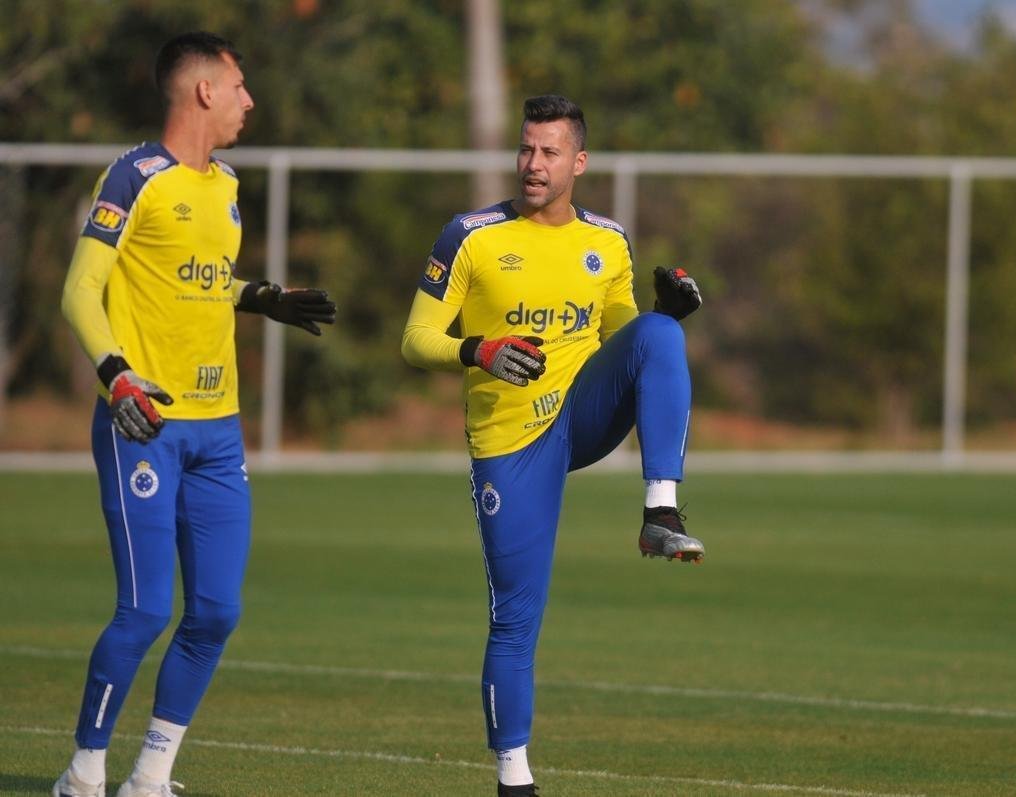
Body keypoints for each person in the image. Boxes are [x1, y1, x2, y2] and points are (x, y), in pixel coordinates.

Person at [53, 32, 336, 797]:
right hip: (143, 424)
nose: (249, 99)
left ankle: (152, 775)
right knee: (145, 612)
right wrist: (118, 379)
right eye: (240, 86)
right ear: (204, 91)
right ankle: (83, 771)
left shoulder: (229, 184)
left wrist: (261, 296)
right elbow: (81, 291)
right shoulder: (134, 175)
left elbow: (200, 280)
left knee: (215, 610)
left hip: (219, 431)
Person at [401, 94, 704, 796]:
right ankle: (514, 778)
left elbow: (627, 344)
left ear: (579, 161)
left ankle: (662, 512)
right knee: (515, 615)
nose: (534, 164)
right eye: (526, 148)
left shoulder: (608, 240)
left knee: (662, 336)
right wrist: (479, 350)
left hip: (579, 415)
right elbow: (415, 339)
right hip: (511, 440)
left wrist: (667, 314)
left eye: (550, 151)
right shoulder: (469, 234)